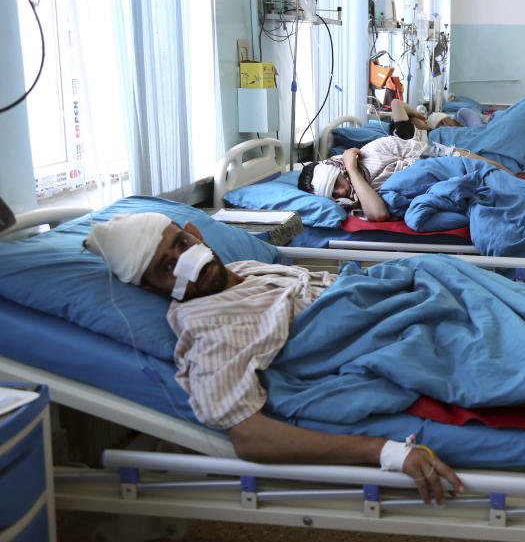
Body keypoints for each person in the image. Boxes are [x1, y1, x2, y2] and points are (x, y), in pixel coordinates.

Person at [82, 212, 464, 505]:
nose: (186, 261)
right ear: (152, 288)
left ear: (194, 233)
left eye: (181, 244)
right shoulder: (208, 329)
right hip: (403, 334)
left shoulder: (244, 270)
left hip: (405, 299)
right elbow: (249, 438)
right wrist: (385, 451)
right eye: (167, 267)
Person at [298, 104, 512, 221]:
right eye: (334, 195)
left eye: (337, 185)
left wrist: (423, 118)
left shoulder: (380, 147)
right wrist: (352, 170)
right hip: (442, 182)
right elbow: (378, 213)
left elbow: (439, 155)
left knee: (501, 177)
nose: (341, 193)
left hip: (441, 158)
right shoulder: (352, 199)